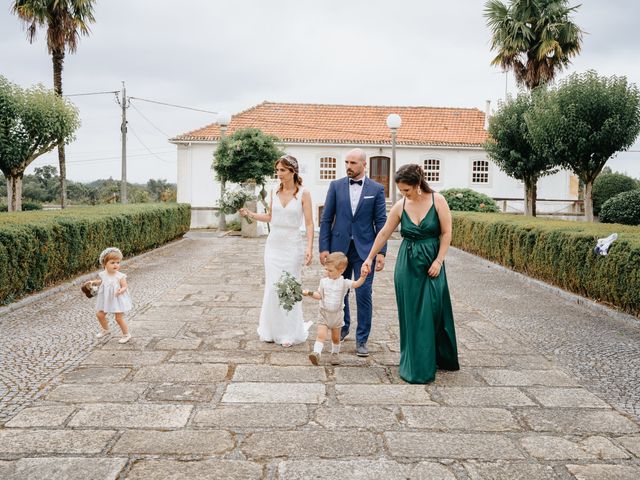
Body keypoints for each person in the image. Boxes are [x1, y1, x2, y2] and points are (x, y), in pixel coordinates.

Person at [362, 164, 459, 383]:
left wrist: (439, 260)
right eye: (401, 191)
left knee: (434, 310)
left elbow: (446, 233)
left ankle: (439, 356)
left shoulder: (438, 201)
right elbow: (385, 232)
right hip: (407, 266)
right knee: (413, 315)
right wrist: (369, 258)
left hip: (432, 263)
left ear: (417, 185)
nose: (403, 194)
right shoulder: (400, 205)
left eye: (406, 190)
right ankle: (417, 365)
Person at [240, 154, 314, 347]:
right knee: (273, 287)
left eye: (283, 170)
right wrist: (250, 214)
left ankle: (289, 332)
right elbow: (270, 217)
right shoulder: (274, 191)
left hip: (292, 245)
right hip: (273, 245)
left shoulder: (304, 193)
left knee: (288, 288)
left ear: (293, 171)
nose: (279, 174)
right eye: (278, 170)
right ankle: (271, 329)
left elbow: (309, 223)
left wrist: (309, 247)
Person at [319, 148, 387, 357]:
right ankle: (344, 325)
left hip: (365, 250)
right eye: (347, 162)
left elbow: (381, 222)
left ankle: (362, 339)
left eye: (353, 163)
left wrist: (381, 252)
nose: (349, 166)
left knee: (364, 293)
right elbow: (327, 218)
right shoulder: (336, 186)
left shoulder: (376, 189)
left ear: (364, 165)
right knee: (340, 290)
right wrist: (324, 248)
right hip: (339, 250)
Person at [302, 252, 369, 366]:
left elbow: (357, 284)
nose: (327, 272)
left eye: (330, 270)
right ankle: (316, 353)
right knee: (321, 335)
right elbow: (319, 295)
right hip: (324, 313)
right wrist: (309, 293)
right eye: (326, 269)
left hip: (337, 315)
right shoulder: (323, 282)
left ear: (341, 270)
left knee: (336, 338)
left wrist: (363, 276)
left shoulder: (344, 283)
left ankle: (335, 354)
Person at [83, 247, 132, 344]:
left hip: (118, 299)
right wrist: (93, 282)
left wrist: (120, 290)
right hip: (106, 299)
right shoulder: (103, 274)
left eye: (118, 262)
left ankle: (126, 334)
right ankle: (106, 330)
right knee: (100, 314)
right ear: (105, 264)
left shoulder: (120, 276)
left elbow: (125, 286)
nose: (116, 265)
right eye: (112, 263)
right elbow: (102, 282)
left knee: (118, 318)